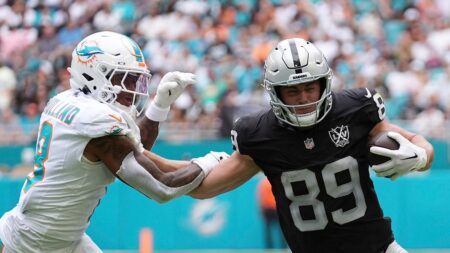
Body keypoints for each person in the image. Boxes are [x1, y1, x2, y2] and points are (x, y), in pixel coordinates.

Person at [189, 38, 435, 253]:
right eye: (292, 91)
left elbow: (421, 145)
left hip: (379, 248)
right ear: (276, 92)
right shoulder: (259, 134)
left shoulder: (355, 109)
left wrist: (420, 156)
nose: (304, 98)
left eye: (310, 87)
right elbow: (203, 189)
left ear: (323, 84)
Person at [0, 31, 227, 253]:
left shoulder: (68, 101)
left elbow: (134, 148)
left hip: (55, 234)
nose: (132, 88)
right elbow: (163, 186)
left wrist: (159, 106)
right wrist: (210, 163)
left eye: (135, 79)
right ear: (92, 73)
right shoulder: (95, 122)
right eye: (123, 77)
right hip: (36, 243)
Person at [257, 177, 285, 249]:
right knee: (279, 229)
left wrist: (261, 209)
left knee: (273, 230)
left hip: (270, 209)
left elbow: (260, 198)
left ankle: (271, 247)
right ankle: (281, 247)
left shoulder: (263, 183)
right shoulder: (271, 182)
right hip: (273, 208)